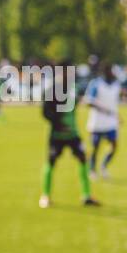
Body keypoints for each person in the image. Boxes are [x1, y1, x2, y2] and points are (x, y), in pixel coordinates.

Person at [39, 65, 99, 209]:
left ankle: (86, 196)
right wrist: (58, 123)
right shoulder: (52, 90)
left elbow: (77, 103)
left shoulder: (73, 88)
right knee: (51, 162)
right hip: (57, 135)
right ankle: (45, 196)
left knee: (83, 159)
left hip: (73, 134)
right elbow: (45, 112)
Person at [85, 63, 122, 179]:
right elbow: (88, 101)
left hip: (111, 123)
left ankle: (104, 166)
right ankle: (92, 170)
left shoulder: (116, 85)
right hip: (97, 123)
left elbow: (114, 103)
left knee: (114, 146)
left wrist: (117, 116)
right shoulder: (96, 84)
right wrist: (104, 110)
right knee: (95, 147)